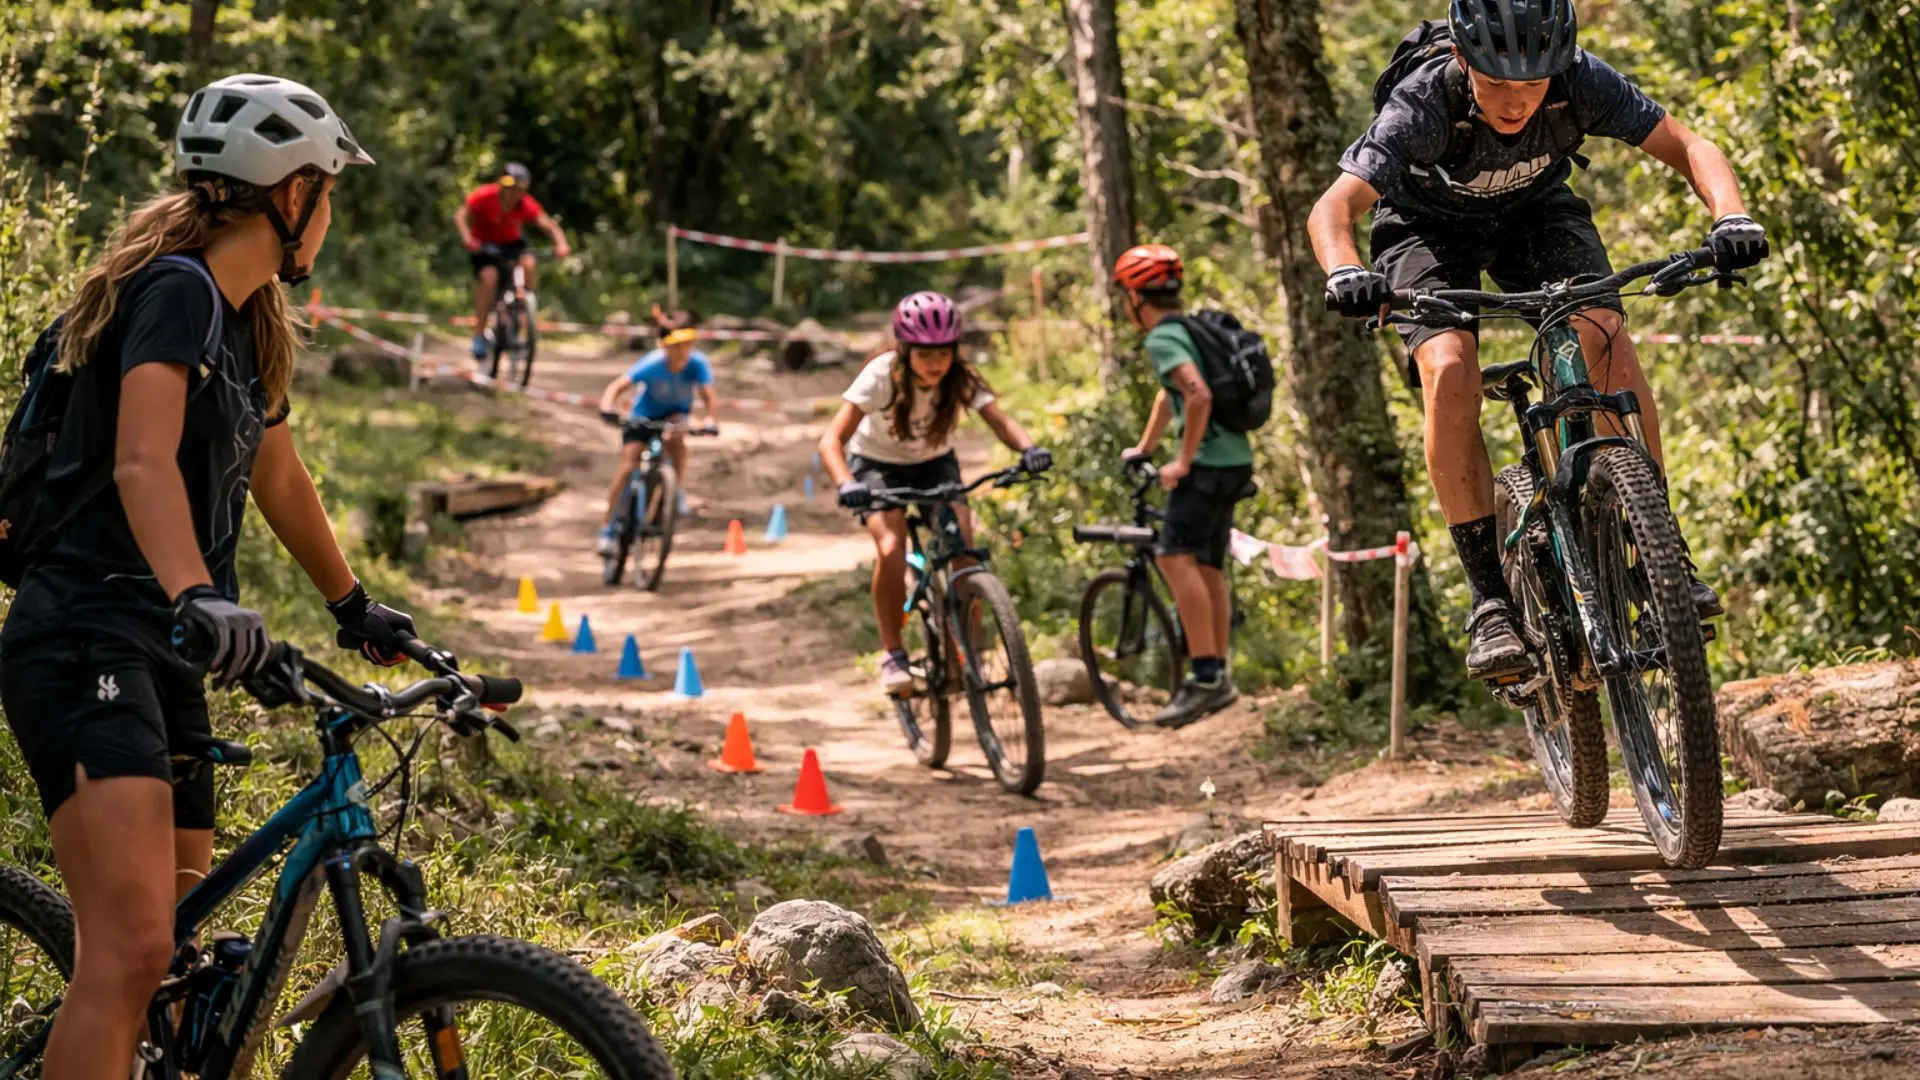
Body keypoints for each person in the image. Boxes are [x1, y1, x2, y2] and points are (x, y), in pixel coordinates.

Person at [0, 74, 418, 1080]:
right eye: (330, 190)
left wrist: (352, 604)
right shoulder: (179, 290)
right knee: (133, 952)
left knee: (173, 964)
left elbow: (275, 471)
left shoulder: (246, 319)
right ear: (288, 194)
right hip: (85, 636)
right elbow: (142, 460)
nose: (331, 214)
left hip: (163, 648)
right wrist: (200, 594)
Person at [1308, 0, 1768, 681]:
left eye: (1534, 86)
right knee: (1447, 367)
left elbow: (1691, 145)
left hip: (1535, 216)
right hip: (1427, 232)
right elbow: (1334, 207)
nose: (1517, 101)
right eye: (1497, 84)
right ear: (1464, 62)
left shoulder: (1581, 80)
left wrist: (1731, 215)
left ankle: (1654, 553)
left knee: (1604, 330)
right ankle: (1490, 600)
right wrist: (1347, 270)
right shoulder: (1424, 101)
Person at [818, 292, 1051, 697]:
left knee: (963, 550)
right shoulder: (880, 375)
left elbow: (999, 421)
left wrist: (1029, 449)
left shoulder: (962, 378)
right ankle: (893, 655)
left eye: (943, 354)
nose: (935, 364)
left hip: (934, 464)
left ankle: (969, 649)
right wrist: (846, 484)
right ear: (906, 350)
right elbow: (831, 440)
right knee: (890, 547)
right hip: (876, 466)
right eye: (925, 354)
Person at [1112, 245, 1254, 728]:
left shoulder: (1162, 339)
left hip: (1207, 466)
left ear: (1135, 298)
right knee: (1208, 563)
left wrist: (1181, 461)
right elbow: (1170, 393)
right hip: (1235, 461)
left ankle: (1205, 677)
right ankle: (1220, 677)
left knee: (1174, 557)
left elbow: (1196, 394)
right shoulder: (1189, 329)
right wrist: (1145, 446)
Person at [595, 312, 721, 554]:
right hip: (643, 416)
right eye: (676, 346)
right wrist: (607, 407)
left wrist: (712, 420)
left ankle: (676, 491)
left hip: (674, 414)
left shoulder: (698, 364)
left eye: (687, 345)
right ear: (665, 347)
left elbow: (709, 395)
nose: (682, 352)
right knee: (628, 464)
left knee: (677, 439)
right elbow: (618, 386)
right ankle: (608, 528)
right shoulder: (652, 363)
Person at [453, 162, 571, 360]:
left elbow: (548, 225)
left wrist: (562, 244)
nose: (512, 193)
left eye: (517, 189)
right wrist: (467, 237)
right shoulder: (485, 195)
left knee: (529, 263)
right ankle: (479, 334)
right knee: (489, 279)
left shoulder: (525, 203)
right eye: (508, 186)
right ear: (501, 184)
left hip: (512, 244)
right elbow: (460, 215)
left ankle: (525, 304)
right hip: (484, 246)